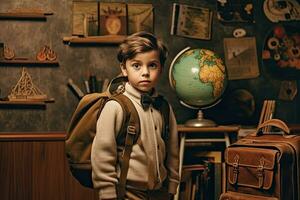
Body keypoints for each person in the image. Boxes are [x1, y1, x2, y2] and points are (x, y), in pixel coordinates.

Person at [91, 31, 179, 200]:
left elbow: (173, 151)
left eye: (152, 65)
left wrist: (172, 186)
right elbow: (102, 154)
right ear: (124, 68)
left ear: (161, 68)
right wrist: (107, 193)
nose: (145, 72)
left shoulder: (164, 107)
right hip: (127, 192)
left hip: (160, 192)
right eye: (136, 65)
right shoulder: (115, 107)